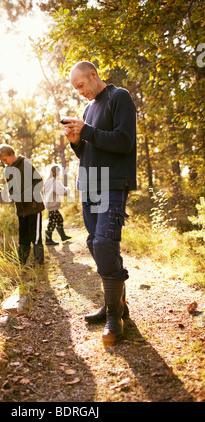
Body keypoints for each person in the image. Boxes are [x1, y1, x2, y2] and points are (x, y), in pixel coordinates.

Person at [63, 61, 137, 345]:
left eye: (81, 85)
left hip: (113, 183)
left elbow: (123, 141)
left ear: (93, 75)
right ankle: (115, 303)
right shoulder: (87, 109)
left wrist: (88, 132)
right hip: (89, 184)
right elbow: (88, 152)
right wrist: (76, 141)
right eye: (75, 88)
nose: (79, 92)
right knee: (95, 243)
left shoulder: (119, 97)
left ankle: (114, 318)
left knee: (106, 243)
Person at [0, 144, 45, 266]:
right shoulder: (8, 170)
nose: (4, 163)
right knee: (23, 236)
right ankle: (22, 262)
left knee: (35, 236)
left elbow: (38, 181)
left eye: (5, 159)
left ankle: (39, 263)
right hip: (21, 209)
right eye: (2, 161)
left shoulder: (26, 165)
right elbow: (10, 188)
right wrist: (13, 197)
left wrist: (24, 196)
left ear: (12, 154)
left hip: (34, 207)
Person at [43, 164, 72, 245]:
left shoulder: (47, 181)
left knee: (59, 219)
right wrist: (68, 189)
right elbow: (62, 191)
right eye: (59, 171)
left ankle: (63, 236)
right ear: (56, 173)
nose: (60, 173)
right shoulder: (55, 181)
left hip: (49, 203)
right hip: (52, 204)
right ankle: (48, 240)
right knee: (52, 222)